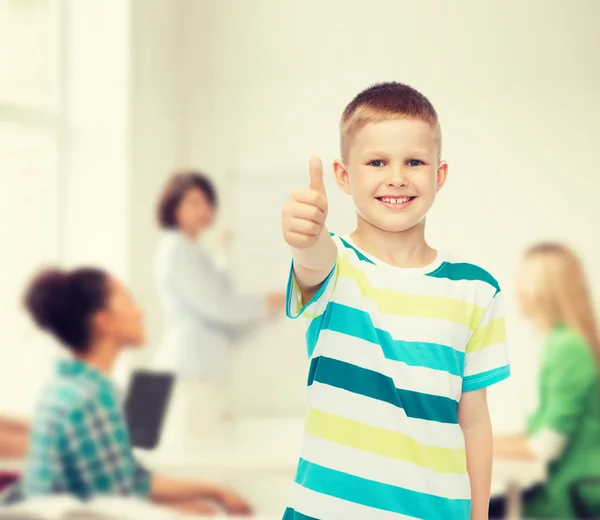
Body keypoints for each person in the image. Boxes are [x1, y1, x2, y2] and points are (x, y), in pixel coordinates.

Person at [280, 82, 510, 520]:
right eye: (377, 162)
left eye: (415, 162)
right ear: (344, 176)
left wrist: (479, 514)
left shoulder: (477, 289)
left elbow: (475, 420)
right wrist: (304, 236)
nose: (397, 177)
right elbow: (312, 260)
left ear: (439, 175)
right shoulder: (337, 264)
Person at [21, 267, 252, 516]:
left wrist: (213, 491)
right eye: (128, 300)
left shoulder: (67, 388)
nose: (140, 311)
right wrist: (181, 512)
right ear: (104, 322)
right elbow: (114, 506)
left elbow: (130, 481)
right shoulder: (92, 399)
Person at [153, 171, 284, 442]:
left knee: (208, 455)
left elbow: (216, 296)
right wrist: (270, 301)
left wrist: (225, 254)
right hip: (190, 373)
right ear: (173, 206)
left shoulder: (192, 250)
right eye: (193, 202)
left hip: (203, 373)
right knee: (197, 461)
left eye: (207, 203)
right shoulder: (176, 249)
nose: (204, 210)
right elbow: (218, 305)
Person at [491, 243, 600, 518]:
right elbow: (535, 434)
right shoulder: (561, 344)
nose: (517, 293)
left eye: (523, 283)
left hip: (569, 499)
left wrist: (464, 445)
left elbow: (543, 447)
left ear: (546, 291)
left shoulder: (568, 349)